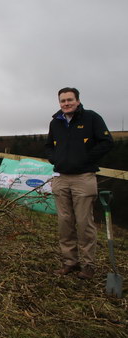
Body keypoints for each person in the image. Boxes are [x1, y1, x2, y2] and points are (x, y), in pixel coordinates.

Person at [45, 87, 113, 280]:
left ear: (77, 100)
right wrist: (54, 159)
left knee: (84, 223)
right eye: (62, 101)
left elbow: (107, 142)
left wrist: (85, 158)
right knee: (65, 222)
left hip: (84, 177)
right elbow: (48, 145)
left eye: (69, 100)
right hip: (61, 177)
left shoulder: (91, 118)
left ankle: (88, 265)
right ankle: (70, 262)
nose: (66, 103)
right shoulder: (55, 122)